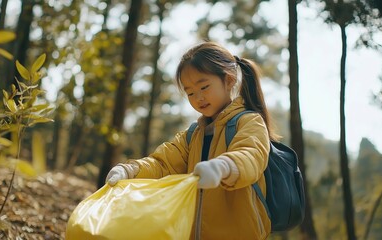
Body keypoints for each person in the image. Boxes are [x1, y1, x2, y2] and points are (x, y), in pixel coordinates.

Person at [106, 41, 279, 240]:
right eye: (190, 93)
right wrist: (130, 170)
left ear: (229, 80)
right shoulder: (193, 134)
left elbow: (251, 155)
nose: (198, 98)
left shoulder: (249, 121)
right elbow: (163, 163)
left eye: (204, 87)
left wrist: (223, 167)